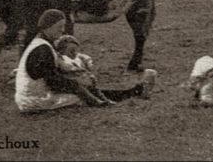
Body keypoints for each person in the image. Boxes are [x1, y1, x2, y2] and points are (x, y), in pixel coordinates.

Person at [14, 9, 156, 113]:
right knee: (83, 92)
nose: (62, 31)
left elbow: (52, 75)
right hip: (35, 101)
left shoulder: (40, 43)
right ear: (48, 27)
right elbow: (54, 81)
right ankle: (118, 98)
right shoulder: (42, 49)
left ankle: (135, 91)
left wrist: (77, 76)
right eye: (59, 27)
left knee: (86, 89)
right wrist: (78, 83)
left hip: (31, 97)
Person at [54, 34, 112, 107]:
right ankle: (95, 101)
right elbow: (65, 67)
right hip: (72, 79)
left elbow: (85, 57)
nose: (74, 53)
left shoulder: (77, 57)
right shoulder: (61, 58)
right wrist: (76, 69)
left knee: (94, 88)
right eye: (71, 51)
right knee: (81, 89)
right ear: (62, 50)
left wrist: (89, 63)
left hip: (82, 79)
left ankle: (105, 99)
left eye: (75, 50)